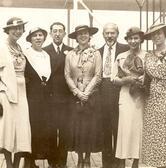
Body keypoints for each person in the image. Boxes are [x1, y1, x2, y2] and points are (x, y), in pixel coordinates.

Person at [65, 25, 102, 168]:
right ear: (76, 37)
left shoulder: (96, 53)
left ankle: (87, 158)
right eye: (80, 34)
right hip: (76, 96)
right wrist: (77, 92)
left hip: (91, 96)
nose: (83, 36)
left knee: (89, 128)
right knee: (78, 128)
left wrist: (86, 93)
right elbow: (67, 75)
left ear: (89, 35)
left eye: (85, 33)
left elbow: (98, 75)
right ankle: (79, 158)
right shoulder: (70, 54)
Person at [111, 27, 146, 168]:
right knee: (124, 128)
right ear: (127, 40)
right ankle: (122, 161)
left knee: (138, 128)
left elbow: (149, 76)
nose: (133, 41)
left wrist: (142, 79)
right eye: (130, 38)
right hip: (125, 96)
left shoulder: (147, 56)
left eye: (136, 38)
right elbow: (113, 79)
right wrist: (126, 80)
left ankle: (136, 162)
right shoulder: (121, 57)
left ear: (141, 39)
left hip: (140, 97)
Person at [0, 17, 31, 168]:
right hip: (7, 93)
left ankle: (18, 163)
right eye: (15, 28)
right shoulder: (2, 47)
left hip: (22, 93)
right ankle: (9, 164)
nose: (18, 31)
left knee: (22, 129)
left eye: (20, 28)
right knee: (8, 130)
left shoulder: (19, 48)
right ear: (8, 30)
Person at [99, 23, 129, 168]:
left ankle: (119, 161)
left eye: (112, 33)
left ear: (117, 34)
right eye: (107, 33)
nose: (109, 36)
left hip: (119, 89)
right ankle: (107, 162)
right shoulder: (97, 51)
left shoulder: (125, 49)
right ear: (103, 35)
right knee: (105, 128)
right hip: (103, 90)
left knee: (118, 126)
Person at [43, 22, 73, 168]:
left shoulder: (71, 51)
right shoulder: (43, 51)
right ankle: (52, 162)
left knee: (65, 131)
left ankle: (62, 162)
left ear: (64, 34)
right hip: (50, 98)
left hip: (66, 98)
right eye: (54, 31)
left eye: (60, 31)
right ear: (50, 33)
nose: (57, 34)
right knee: (50, 131)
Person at [142, 23, 166, 168]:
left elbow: (161, 72)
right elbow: (153, 71)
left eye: (160, 33)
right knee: (155, 135)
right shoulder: (148, 56)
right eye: (154, 34)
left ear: (165, 34)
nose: (157, 36)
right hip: (152, 99)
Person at [24, 27, 51, 168]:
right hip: (30, 95)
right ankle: (28, 161)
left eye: (41, 35)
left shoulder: (46, 55)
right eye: (35, 36)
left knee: (40, 127)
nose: (38, 38)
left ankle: (34, 159)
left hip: (44, 98)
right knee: (30, 127)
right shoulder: (26, 54)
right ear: (30, 39)